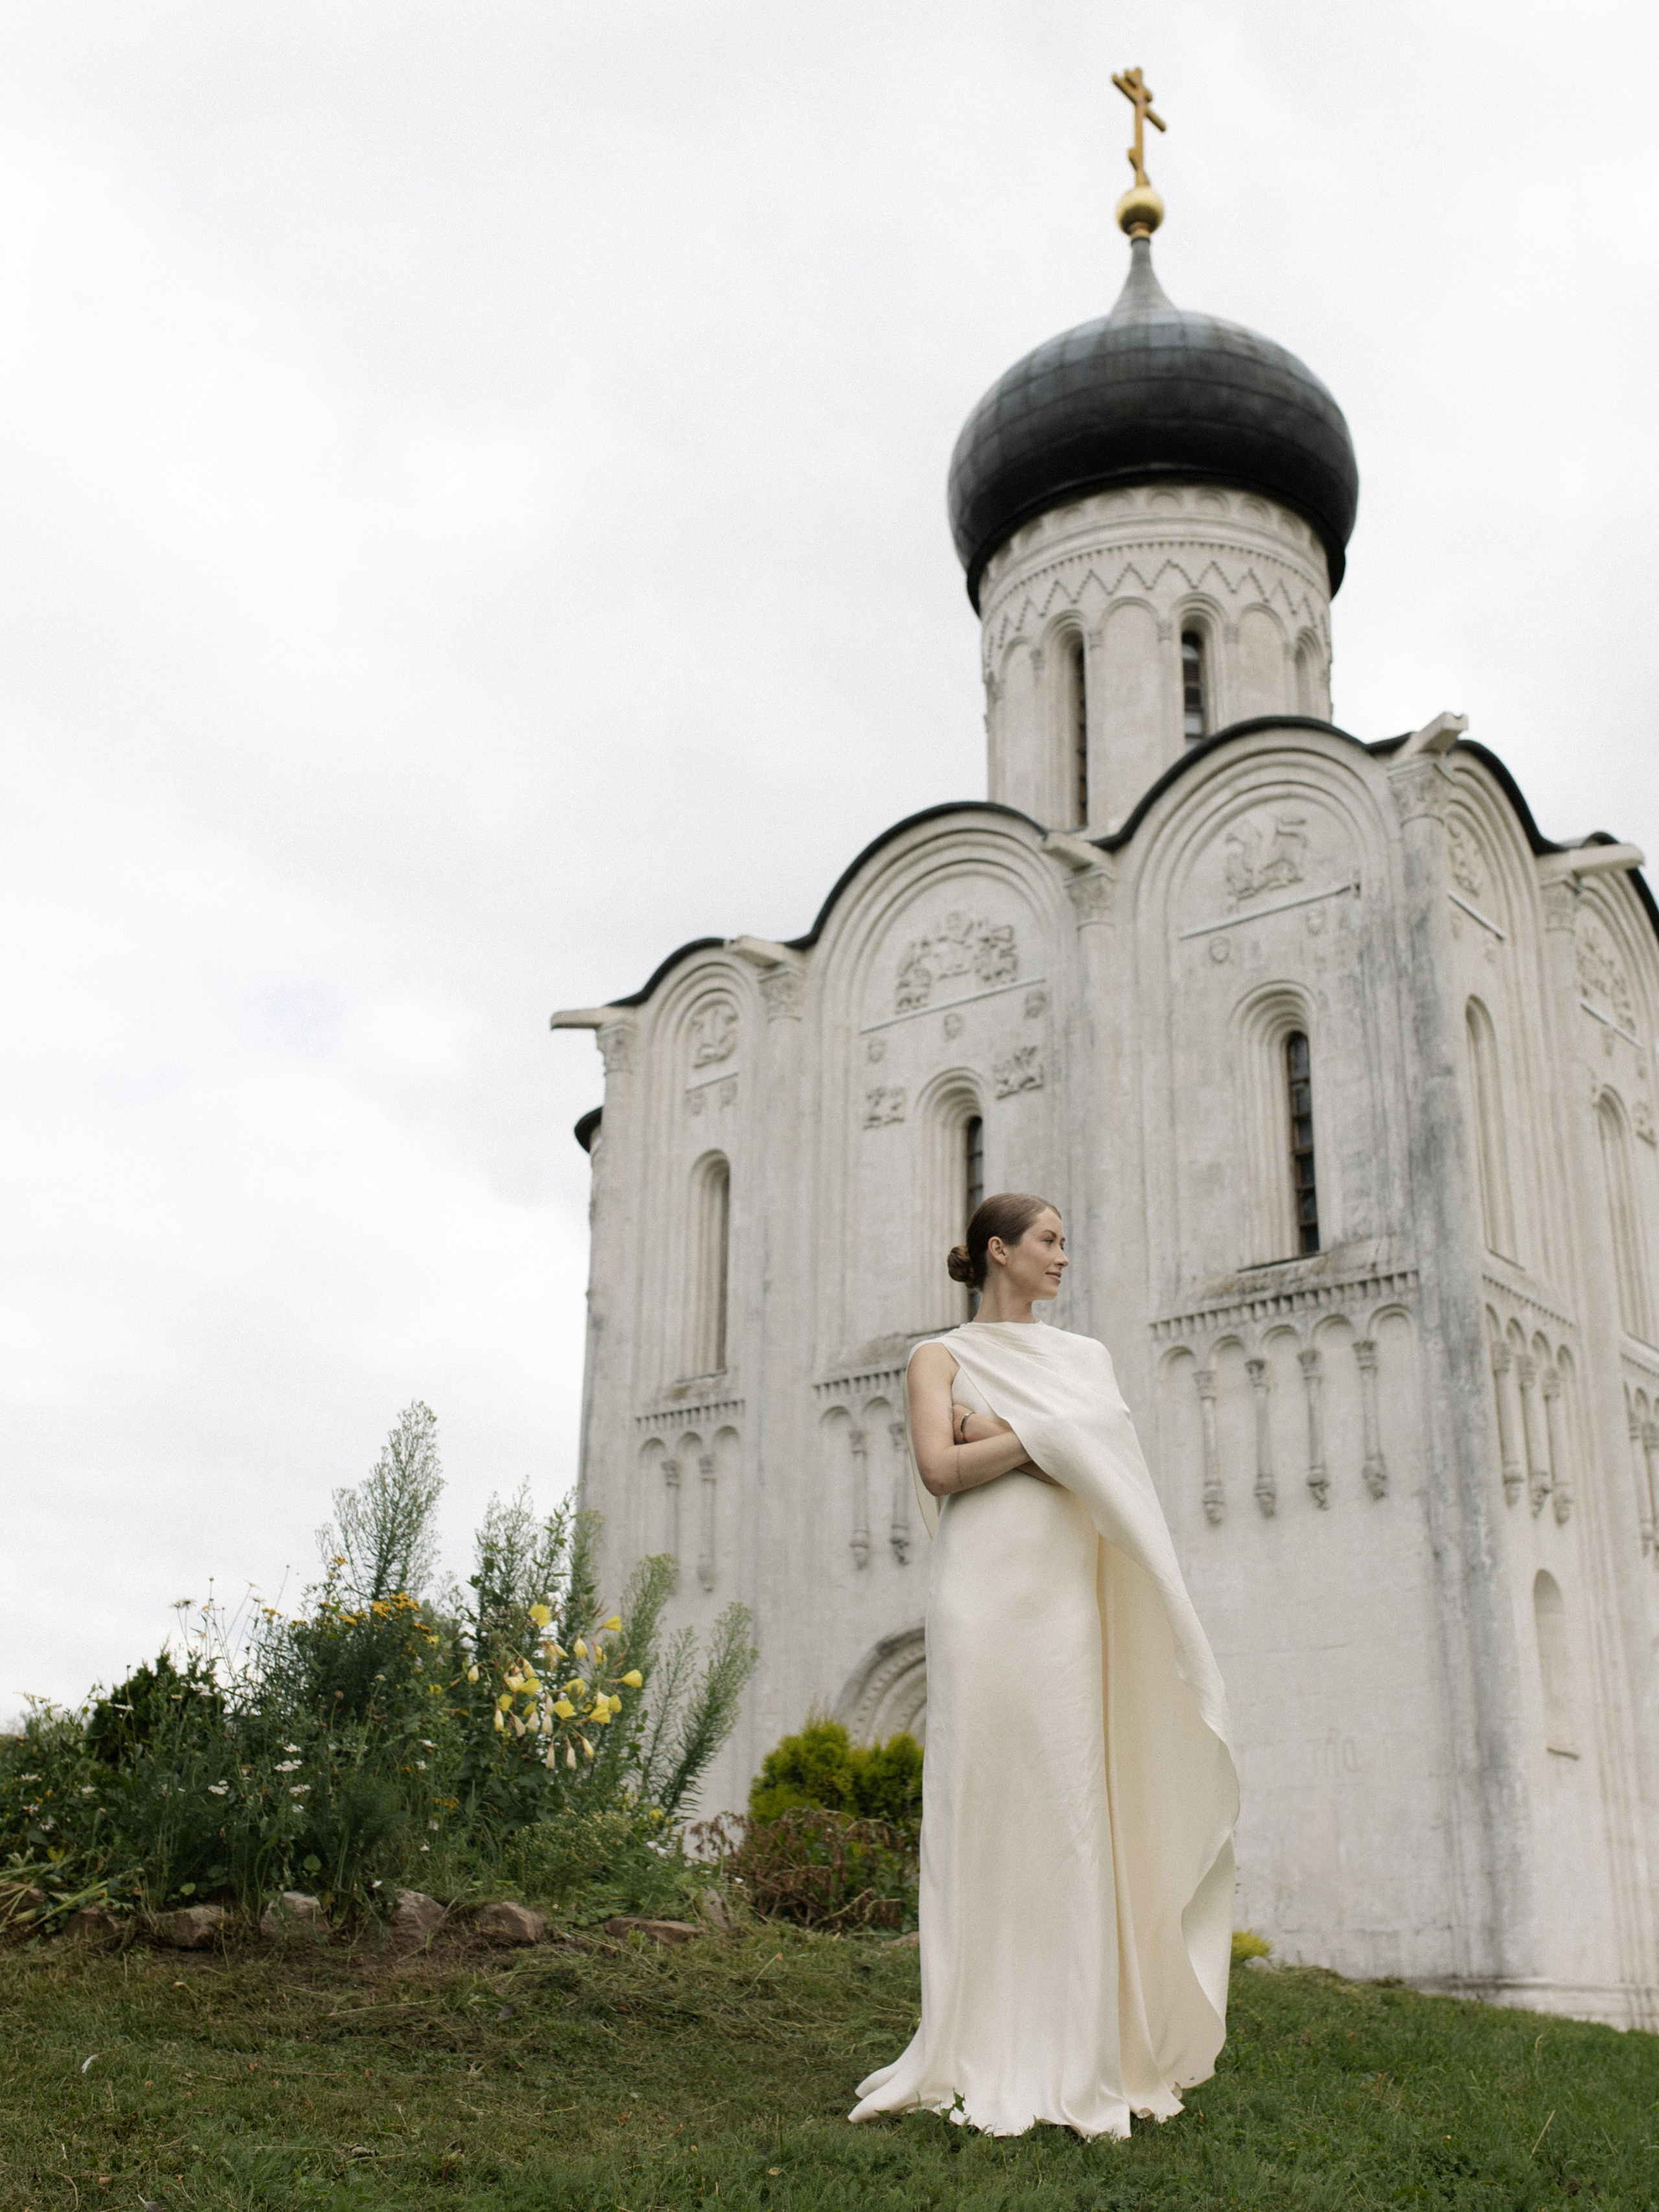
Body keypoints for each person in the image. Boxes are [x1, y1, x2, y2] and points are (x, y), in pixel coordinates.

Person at [848, 1192, 1238, 2141]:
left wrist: (1009, 1436)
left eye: (1064, 1241)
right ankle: (969, 2038)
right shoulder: (936, 1357)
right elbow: (941, 1470)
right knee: (979, 1805)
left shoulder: (1084, 1359)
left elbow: (1112, 1457)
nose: (1064, 1257)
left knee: (1068, 1808)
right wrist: (1051, 1442)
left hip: (1064, 1603)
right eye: (1050, 1241)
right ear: (1000, 1251)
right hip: (979, 1600)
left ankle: (1077, 2047)